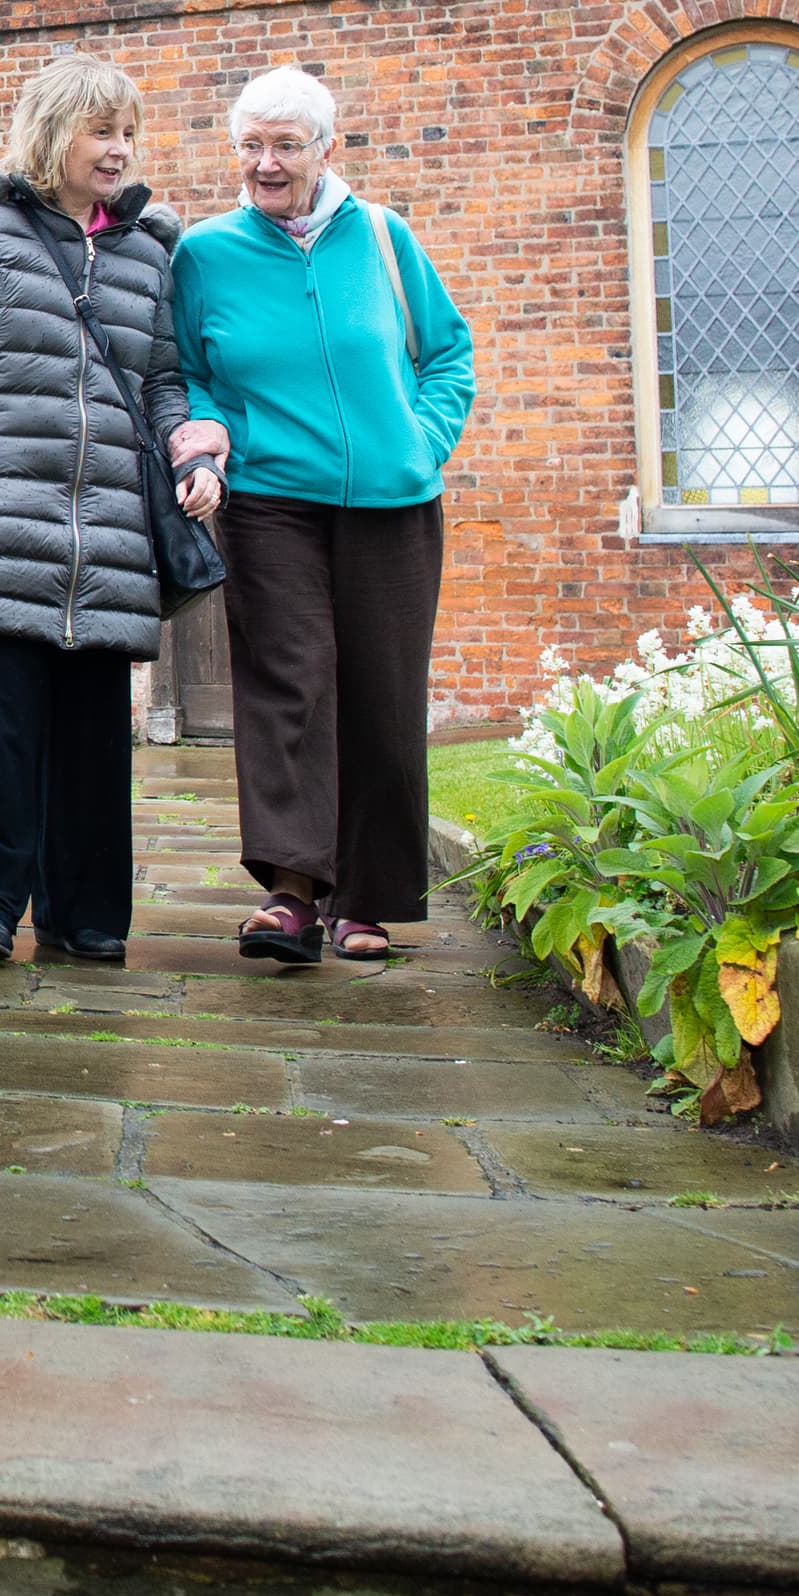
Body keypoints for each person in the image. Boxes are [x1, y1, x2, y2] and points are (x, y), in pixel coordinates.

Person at [0, 56, 223, 969]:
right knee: (0, 731)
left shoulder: (149, 251)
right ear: (53, 133)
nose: (118, 150)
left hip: (107, 530)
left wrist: (189, 452)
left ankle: (88, 916)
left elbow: (159, 382)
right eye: (100, 131)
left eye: (126, 133)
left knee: (91, 734)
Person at [164, 67, 477, 966]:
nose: (267, 164)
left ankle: (368, 899)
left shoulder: (381, 237)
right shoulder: (208, 255)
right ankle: (292, 893)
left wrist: (420, 443)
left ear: (326, 150)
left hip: (394, 500)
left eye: (286, 145)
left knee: (382, 692)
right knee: (288, 683)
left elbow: (448, 353)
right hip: (270, 502)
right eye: (252, 146)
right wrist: (209, 445)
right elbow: (192, 372)